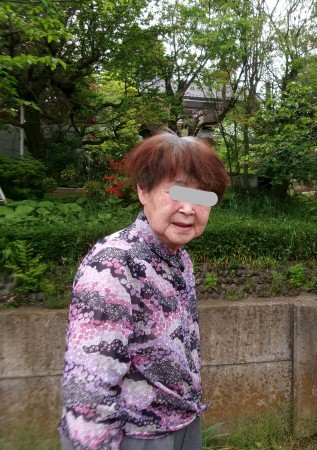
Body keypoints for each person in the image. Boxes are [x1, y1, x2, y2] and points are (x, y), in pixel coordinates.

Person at [59, 131, 229, 450]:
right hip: (134, 436)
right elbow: (88, 386)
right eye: (177, 192)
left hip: (182, 423)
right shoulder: (113, 263)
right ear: (143, 190)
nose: (189, 208)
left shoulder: (179, 259)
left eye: (203, 196)